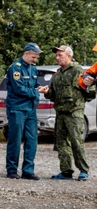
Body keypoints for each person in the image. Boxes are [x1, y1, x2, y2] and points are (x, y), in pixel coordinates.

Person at [39, 45, 96, 180]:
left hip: (74, 113)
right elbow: (53, 93)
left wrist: (89, 86)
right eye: (57, 55)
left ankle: (83, 170)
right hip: (60, 113)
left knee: (76, 142)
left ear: (69, 56)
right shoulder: (58, 74)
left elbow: (91, 93)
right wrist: (47, 92)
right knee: (62, 144)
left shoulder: (78, 71)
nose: (57, 58)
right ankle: (66, 171)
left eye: (60, 55)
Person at [4, 42, 43, 180]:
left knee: (32, 140)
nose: (35, 60)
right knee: (15, 139)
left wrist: (41, 89)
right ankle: (12, 170)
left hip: (31, 109)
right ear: (26, 53)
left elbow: (36, 85)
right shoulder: (16, 68)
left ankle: (28, 170)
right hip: (18, 108)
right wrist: (35, 92)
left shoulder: (33, 69)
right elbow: (18, 88)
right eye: (33, 57)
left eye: (36, 57)